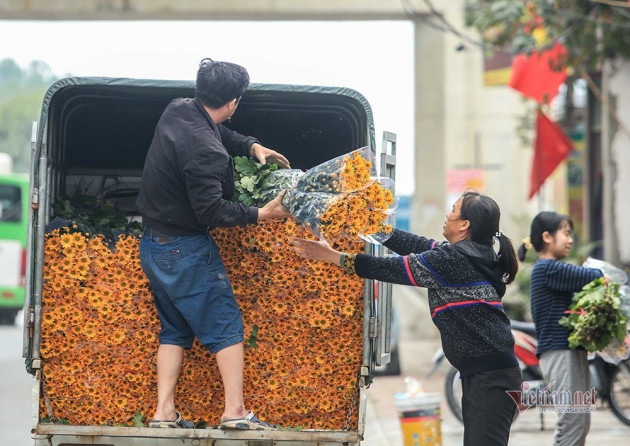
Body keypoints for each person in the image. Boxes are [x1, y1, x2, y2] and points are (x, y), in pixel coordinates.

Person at [290, 191, 522, 445]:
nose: (447, 214)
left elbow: (391, 268)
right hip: (490, 374)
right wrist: (369, 224)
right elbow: (415, 243)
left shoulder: (452, 261)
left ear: (465, 225)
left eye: (452, 209)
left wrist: (332, 256)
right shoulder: (472, 254)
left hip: (491, 378)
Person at [136, 58, 291, 430]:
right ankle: (235, 413)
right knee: (226, 326)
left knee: (174, 329)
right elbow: (211, 211)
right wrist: (262, 215)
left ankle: (163, 413)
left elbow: (215, 131)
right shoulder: (207, 152)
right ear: (234, 101)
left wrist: (253, 146)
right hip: (185, 251)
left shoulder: (179, 109)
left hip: (153, 245)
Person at [518, 211, 603, 446]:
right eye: (566, 233)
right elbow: (594, 275)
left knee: (579, 423)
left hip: (568, 353)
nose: (570, 240)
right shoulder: (547, 268)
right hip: (559, 354)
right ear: (547, 237)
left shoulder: (551, 269)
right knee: (572, 423)